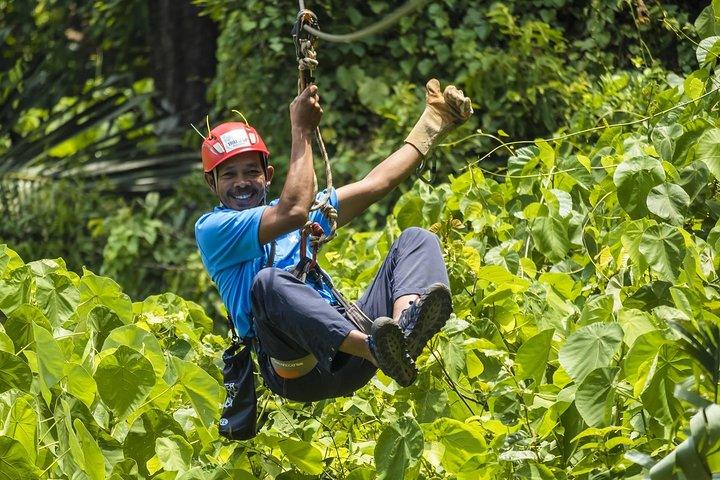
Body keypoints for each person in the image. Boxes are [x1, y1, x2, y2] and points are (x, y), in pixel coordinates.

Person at [195, 79, 472, 402]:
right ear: (211, 183)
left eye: (250, 173)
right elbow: (294, 210)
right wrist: (301, 131)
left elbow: (378, 183)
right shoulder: (214, 229)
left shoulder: (292, 211)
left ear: (267, 175)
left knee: (417, 239)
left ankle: (401, 337)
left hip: (349, 355)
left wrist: (433, 122)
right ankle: (374, 348)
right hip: (298, 368)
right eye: (229, 175)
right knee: (267, 282)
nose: (242, 183)